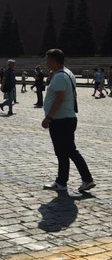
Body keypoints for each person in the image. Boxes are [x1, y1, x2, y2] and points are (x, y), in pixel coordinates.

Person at [42, 49, 95, 192]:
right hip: (67, 118)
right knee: (65, 152)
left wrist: (48, 117)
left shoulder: (59, 76)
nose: (46, 63)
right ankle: (62, 182)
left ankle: (86, 179)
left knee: (68, 151)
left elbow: (59, 99)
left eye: (47, 60)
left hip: (60, 120)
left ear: (54, 60)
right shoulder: (67, 73)